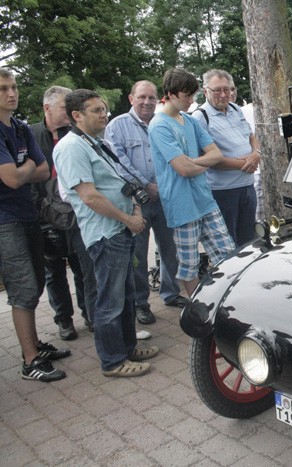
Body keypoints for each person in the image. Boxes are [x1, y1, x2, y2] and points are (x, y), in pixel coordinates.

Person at [54, 89, 158, 378]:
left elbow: (118, 181)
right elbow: (89, 197)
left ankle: (127, 347)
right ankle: (113, 360)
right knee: (109, 300)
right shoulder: (71, 147)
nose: (104, 115)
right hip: (106, 232)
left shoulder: (95, 142)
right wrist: (128, 218)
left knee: (124, 295)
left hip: (119, 227)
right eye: (96, 110)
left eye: (104, 109)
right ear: (77, 115)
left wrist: (134, 211)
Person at [0, 67, 69, 381]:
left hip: (28, 214)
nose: (11, 94)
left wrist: (22, 168)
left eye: (13, 87)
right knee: (23, 289)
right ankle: (30, 361)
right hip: (6, 221)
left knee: (37, 282)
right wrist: (26, 166)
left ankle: (35, 345)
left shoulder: (19, 127)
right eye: (3, 89)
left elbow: (45, 170)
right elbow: (13, 178)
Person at [104, 81, 187, 326]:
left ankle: (171, 293)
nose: (147, 102)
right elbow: (118, 162)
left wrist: (165, 186)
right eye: (142, 97)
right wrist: (146, 185)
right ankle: (141, 304)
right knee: (138, 255)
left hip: (166, 198)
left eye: (152, 97)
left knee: (170, 249)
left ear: (158, 100)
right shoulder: (117, 127)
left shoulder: (165, 123)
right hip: (136, 201)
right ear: (131, 98)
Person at [148, 68, 236, 296]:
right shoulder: (159, 125)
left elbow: (216, 155)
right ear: (172, 94)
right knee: (189, 265)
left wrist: (193, 161)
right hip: (182, 205)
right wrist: (197, 163)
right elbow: (183, 169)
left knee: (227, 255)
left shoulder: (189, 120)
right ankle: (200, 311)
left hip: (205, 200)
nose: (191, 100)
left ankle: (224, 303)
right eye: (187, 95)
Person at [30, 86, 96, 340]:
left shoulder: (77, 134)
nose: (69, 111)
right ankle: (63, 320)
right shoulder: (32, 134)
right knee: (53, 270)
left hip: (77, 211)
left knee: (83, 266)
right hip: (44, 214)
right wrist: (40, 209)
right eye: (62, 107)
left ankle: (90, 313)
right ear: (47, 108)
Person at [192, 69, 260, 246]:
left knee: (249, 242)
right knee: (227, 245)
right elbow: (208, 158)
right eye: (217, 90)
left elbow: (251, 136)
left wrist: (256, 154)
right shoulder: (200, 117)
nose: (223, 95)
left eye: (227, 89)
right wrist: (244, 164)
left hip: (247, 187)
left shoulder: (236, 109)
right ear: (206, 91)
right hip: (222, 192)